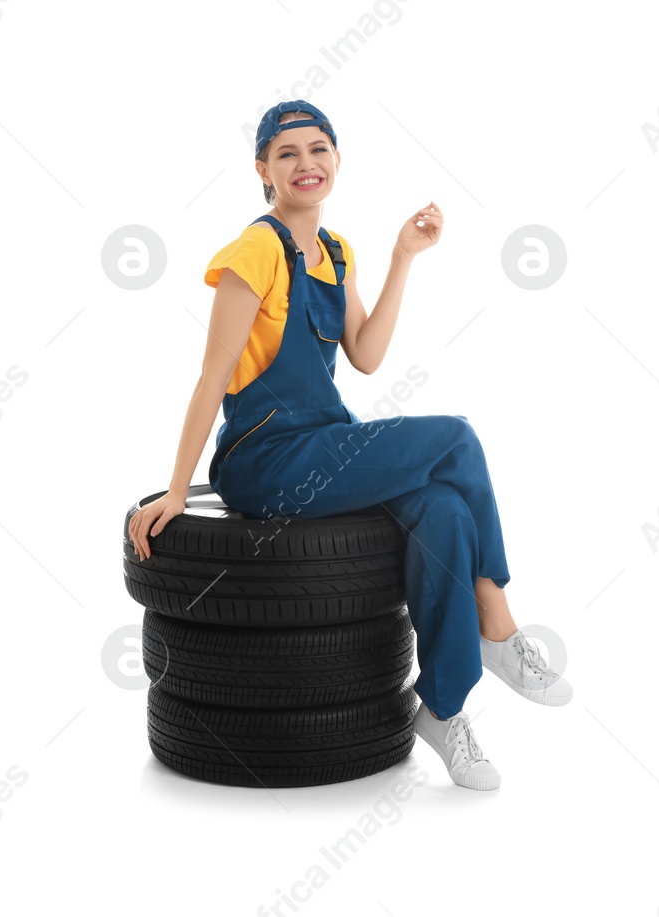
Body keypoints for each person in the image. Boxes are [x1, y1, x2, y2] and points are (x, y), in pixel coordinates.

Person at [127, 101, 572, 791]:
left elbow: (364, 355)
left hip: (326, 444)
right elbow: (213, 374)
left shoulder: (336, 253)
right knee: (454, 437)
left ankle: (445, 708)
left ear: (338, 160)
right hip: (265, 461)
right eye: (288, 154)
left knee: (446, 511)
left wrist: (403, 257)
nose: (306, 164)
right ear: (262, 170)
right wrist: (179, 490)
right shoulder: (255, 251)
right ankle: (501, 625)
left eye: (319, 150)